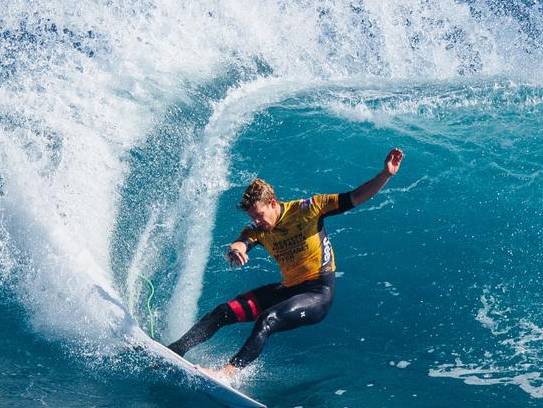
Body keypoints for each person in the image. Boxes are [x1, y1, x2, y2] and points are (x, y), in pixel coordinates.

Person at [167, 148, 405, 382]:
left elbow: (356, 197)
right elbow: (242, 242)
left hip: (318, 292)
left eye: (259, 215)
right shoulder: (257, 229)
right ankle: (175, 349)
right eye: (252, 217)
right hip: (288, 289)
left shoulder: (308, 209)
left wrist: (385, 175)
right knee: (223, 312)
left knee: (267, 320)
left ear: (272, 203)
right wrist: (235, 250)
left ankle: (227, 374)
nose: (256, 221)